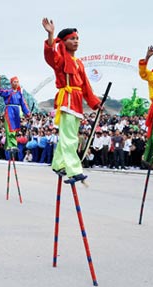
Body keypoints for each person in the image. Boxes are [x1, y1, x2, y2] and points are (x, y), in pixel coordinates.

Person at [42, 18, 102, 183]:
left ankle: (58, 164)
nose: (75, 41)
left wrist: (96, 103)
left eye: (77, 38)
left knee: (67, 136)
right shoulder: (60, 60)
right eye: (72, 39)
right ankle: (74, 170)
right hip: (67, 100)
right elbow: (49, 54)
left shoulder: (80, 64)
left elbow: (86, 88)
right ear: (64, 42)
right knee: (70, 138)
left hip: (77, 102)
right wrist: (51, 34)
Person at [0, 75, 31, 155]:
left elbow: (23, 104)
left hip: (17, 111)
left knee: (15, 129)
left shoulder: (19, 94)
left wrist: (27, 113)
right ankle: (11, 145)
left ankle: (9, 145)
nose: (16, 83)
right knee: (10, 128)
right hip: (9, 110)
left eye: (17, 82)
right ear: (11, 83)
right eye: (15, 82)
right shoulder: (8, 92)